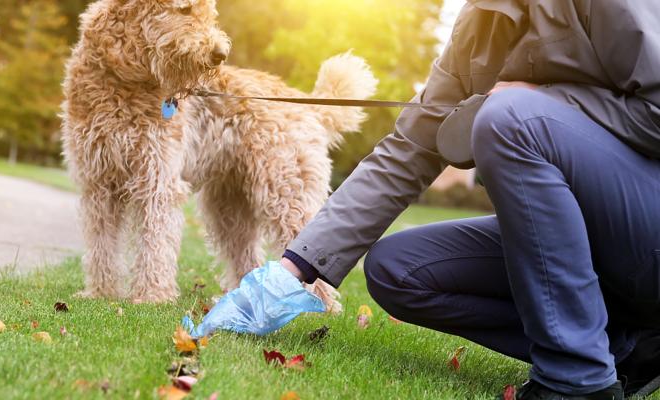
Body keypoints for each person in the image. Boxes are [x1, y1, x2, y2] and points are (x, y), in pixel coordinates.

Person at [194, 1, 660, 399]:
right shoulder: (479, 25)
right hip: (589, 248)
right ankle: (627, 348)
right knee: (398, 269)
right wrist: (289, 272)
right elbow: (409, 151)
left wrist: (547, 101)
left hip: (645, 230)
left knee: (509, 118)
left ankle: (576, 379)